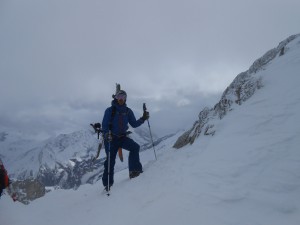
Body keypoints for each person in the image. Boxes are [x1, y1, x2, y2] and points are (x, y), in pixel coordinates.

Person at [101, 89, 149, 191]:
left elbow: (134, 124)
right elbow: (104, 125)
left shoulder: (128, 111)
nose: (121, 99)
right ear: (116, 98)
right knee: (110, 161)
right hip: (111, 139)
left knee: (135, 147)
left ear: (125, 98)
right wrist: (106, 135)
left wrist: (143, 118)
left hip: (122, 137)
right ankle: (108, 185)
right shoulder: (109, 111)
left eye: (123, 97)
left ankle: (134, 171)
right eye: (119, 97)